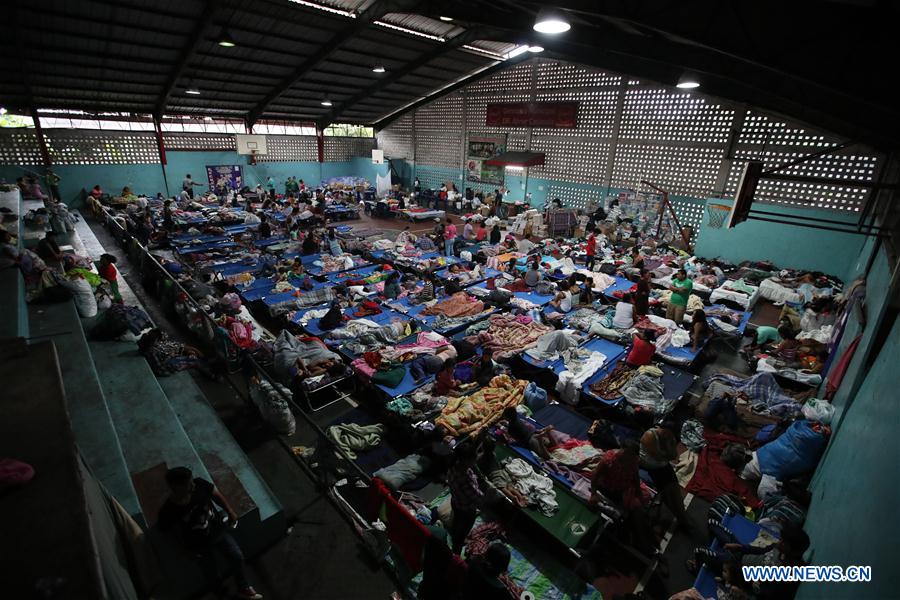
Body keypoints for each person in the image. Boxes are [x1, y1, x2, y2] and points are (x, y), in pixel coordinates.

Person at [158, 467, 263, 600]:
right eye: (188, 484)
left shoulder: (199, 484)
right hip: (198, 545)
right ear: (175, 487)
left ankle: (243, 588)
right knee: (212, 574)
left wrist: (230, 511)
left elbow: (215, 494)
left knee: (236, 557)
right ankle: (223, 595)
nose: (193, 486)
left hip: (217, 531)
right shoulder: (168, 511)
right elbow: (168, 534)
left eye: (192, 482)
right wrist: (183, 551)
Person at [688, 521, 810, 598]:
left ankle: (698, 568)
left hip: (736, 568)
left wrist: (749, 585)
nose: (780, 542)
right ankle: (711, 562)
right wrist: (741, 547)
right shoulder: (780, 549)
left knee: (699, 551)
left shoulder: (786, 574)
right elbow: (761, 550)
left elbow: (765, 592)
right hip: (741, 554)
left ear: (793, 549)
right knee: (711, 524)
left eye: (784, 542)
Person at [640, 423, 689, 529]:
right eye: (665, 433)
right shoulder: (649, 436)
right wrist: (668, 450)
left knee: (675, 489)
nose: (667, 435)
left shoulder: (669, 436)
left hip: (663, 465)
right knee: (667, 493)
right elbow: (658, 457)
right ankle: (679, 515)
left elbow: (673, 455)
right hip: (650, 468)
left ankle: (682, 516)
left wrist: (668, 445)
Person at [447, 442, 484, 554]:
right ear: (466, 460)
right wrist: (489, 493)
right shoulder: (465, 479)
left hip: (455, 502)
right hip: (466, 510)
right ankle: (456, 551)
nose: (476, 459)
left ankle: (454, 535)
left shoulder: (453, 467)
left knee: (456, 521)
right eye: (474, 458)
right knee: (462, 531)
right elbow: (478, 498)